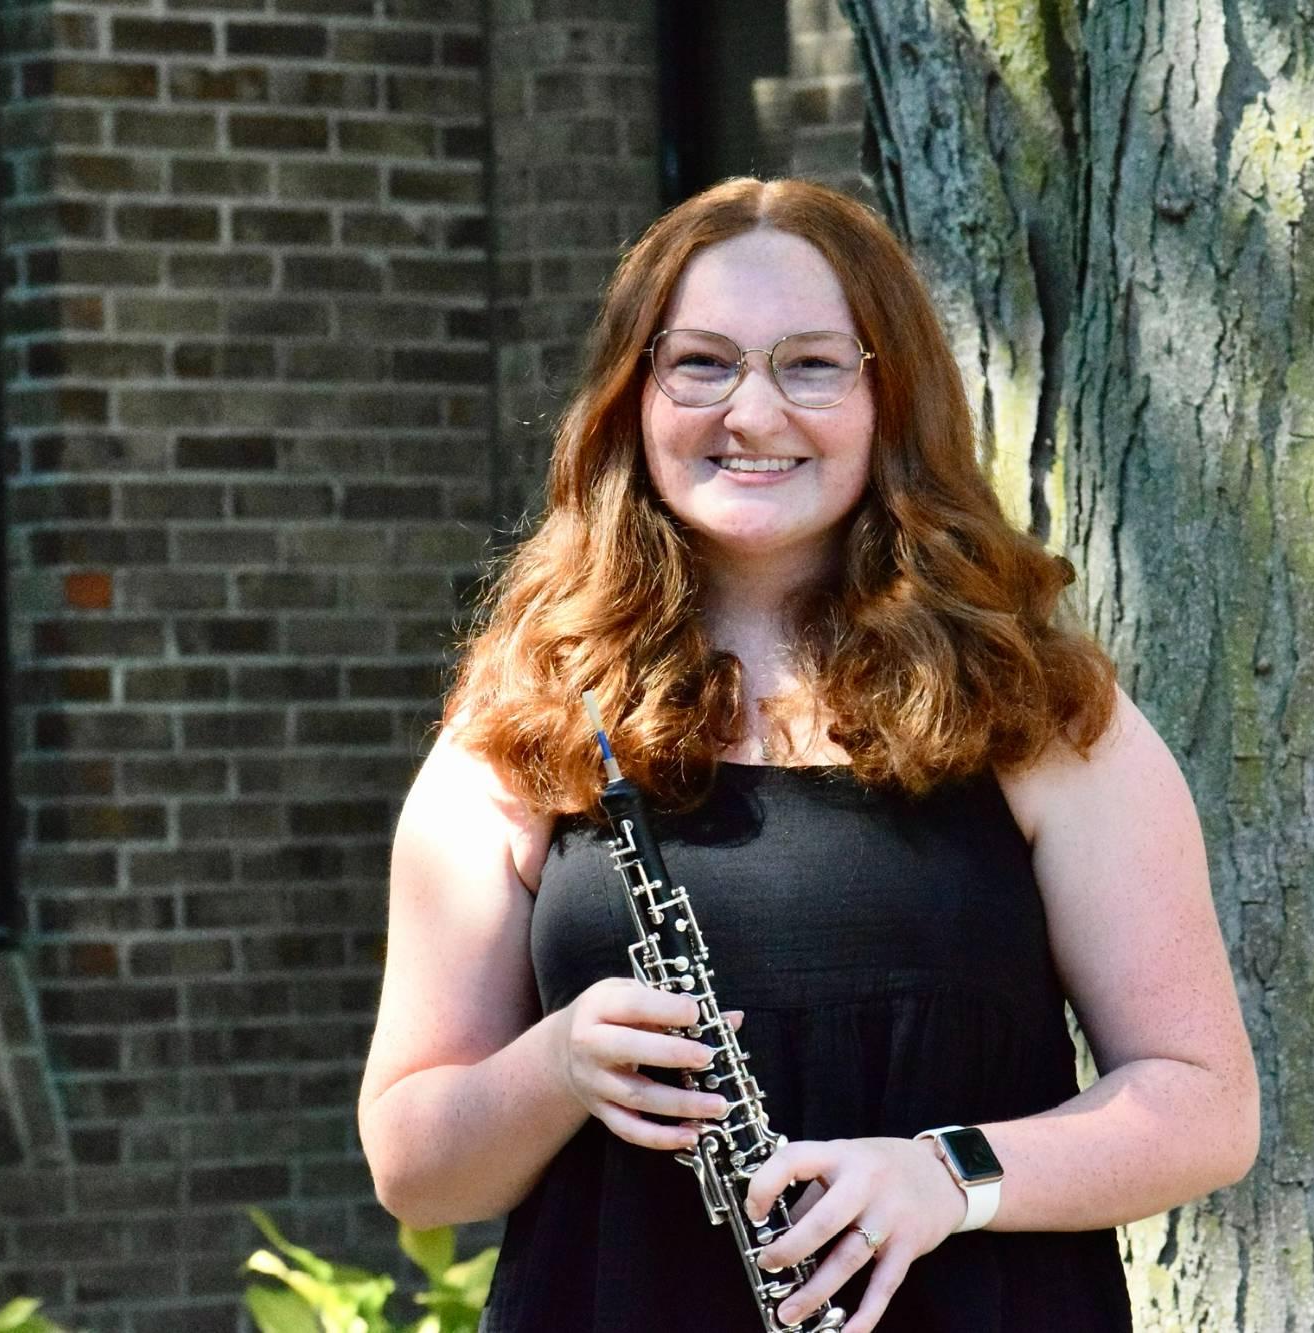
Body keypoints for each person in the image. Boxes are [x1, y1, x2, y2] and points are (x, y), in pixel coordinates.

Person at [357, 177, 1258, 1333]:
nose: (753, 413)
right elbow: (417, 1168)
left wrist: (946, 1176)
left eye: (810, 365)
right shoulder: (528, 715)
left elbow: (1203, 1107)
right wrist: (559, 1067)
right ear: (633, 395)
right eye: (701, 364)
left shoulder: (1030, 708)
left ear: (891, 399)